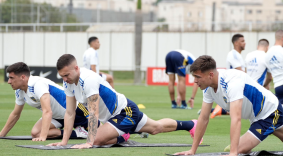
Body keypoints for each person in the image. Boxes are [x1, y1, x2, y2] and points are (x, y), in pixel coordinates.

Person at [175, 55, 283, 156]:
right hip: (258, 115)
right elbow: (203, 119)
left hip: (269, 111)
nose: (194, 81)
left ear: (210, 74)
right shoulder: (208, 86)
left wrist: (234, 152)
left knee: (238, 149)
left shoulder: (232, 82)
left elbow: (236, 118)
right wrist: (192, 151)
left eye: (197, 77)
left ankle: (237, 147)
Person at [48, 54, 203, 149]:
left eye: (67, 75)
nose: (64, 79)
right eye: (62, 76)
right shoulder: (67, 83)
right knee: (156, 128)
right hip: (114, 117)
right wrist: (64, 141)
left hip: (124, 111)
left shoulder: (87, 80)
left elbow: (93, 112)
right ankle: (191, 124)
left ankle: (123, 135)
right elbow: (69, 112)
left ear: (76, 68)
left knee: (96, 139)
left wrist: (89, 142)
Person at [0, 62, 89, 141]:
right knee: (35, 133)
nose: (9, 82)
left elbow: (47, 111)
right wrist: (1, 134)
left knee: (98, 132)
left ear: (23, 77)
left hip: (76, 112)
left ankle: (81, 128)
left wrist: (43, 137)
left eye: (11, 78)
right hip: (58, 117)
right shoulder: (19, 91)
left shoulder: (37, 84)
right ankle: (77, 133)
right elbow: (15, 114)